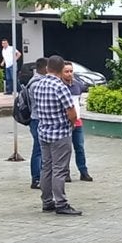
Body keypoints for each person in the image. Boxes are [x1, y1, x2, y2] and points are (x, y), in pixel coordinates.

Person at [29, 54, 81, 216]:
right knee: (60, 169)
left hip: (43, 131)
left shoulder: (37, 85)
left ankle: (47, 201)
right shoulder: (60, 87)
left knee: (47, 167)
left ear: (47, 68)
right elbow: (72, 112)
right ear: (60, 69)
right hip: (60, 133)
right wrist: (71, 125)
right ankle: (61, 203)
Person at [58, 61, 93, 182]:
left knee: (79, 147)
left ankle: (83, 172)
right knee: (65, 149)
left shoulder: (77, 85)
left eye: (71, 71)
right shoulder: (59, 87)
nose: (69, 74)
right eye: (66, 71)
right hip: (64, 123)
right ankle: (65, 172)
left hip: (77, 121)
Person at [25, 57, 48, 190]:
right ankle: (36, 178)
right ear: (45, 68)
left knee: (40, 150)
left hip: (37, 119)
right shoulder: (37, 83)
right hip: (37, 120)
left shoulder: (35, 81)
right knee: (38, 150)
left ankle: (40, 177)